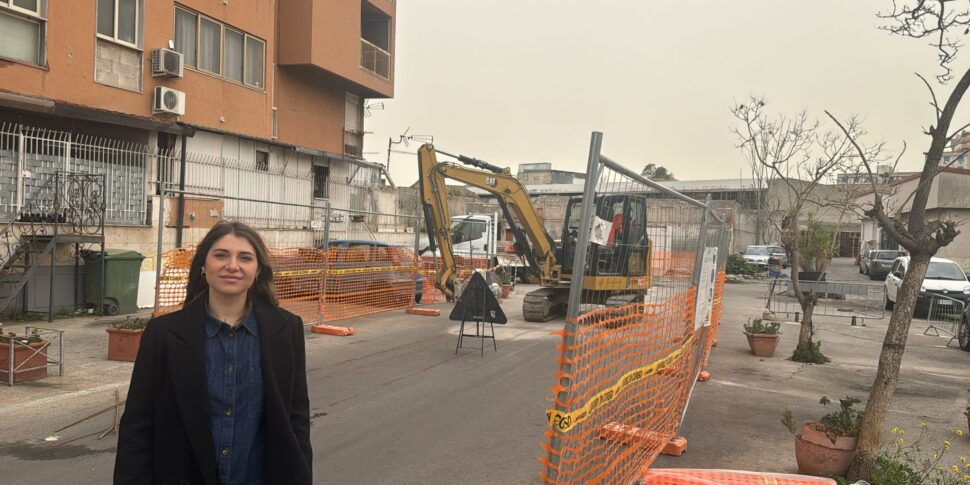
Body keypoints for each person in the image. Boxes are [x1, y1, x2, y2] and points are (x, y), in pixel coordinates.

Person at [114, 221, 312, 485]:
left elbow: (296, 421)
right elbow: (137, 427)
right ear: (203, 266)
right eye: (221, 255)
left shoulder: (287, 330)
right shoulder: (163, 334)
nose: (232, 265)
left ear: (258, 270)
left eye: (245, 257)